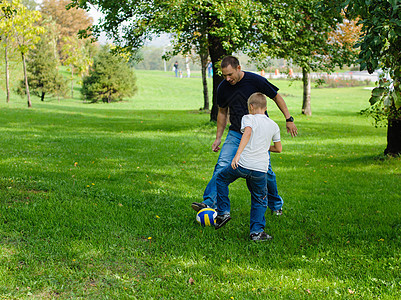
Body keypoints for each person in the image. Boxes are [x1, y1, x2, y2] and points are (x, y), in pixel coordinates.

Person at [191, 56, 297, 215]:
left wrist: (288, 119)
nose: (227, 79)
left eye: (230, 74)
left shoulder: (255, 80)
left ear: (239, 68)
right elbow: (222, 112)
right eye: (224, 75)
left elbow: (276, 96)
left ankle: (275, 204)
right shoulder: (223, 87)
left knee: (266, 172)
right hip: (235, 133)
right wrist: (218, 137)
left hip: (258, 134)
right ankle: (209, 203)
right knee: (222, 165)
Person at [214, 92, 282, 241]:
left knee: (221, 179)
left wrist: (237, 154)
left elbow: (248, 132)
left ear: (251, 106)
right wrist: (264, 146)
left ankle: (223, 212)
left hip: (242, 165)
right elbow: (278, 149)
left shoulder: (248, 118)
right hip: (260, 170)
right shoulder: (273, 125)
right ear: (265, 107)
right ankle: (256, 232)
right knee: (259, 199)